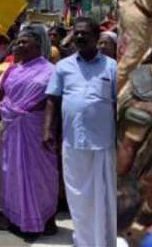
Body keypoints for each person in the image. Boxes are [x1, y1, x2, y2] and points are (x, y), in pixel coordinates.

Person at [45, 17, 117, 246]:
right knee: (78, 198)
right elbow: (52, 100)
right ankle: (84, 241)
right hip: (72, 143)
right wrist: (47, 130)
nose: (79, 37)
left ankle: (105, 241)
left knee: (104, 198)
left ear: (97, 37)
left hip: (103, 143)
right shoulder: (63, 66)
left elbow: (119, 105)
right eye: (76, 33)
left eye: (85, 33)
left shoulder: (112, 67)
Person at [0, 25, 59, 234]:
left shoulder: (50, 70)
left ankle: (46, 219)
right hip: (12, 129)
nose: (19, 45)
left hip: (36, 130)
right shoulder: (13, 69)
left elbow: (53, 100)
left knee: (41, 175)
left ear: (38, 45)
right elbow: (4, 98)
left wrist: (49, 129)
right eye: (18, 41)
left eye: (25, 41)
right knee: (12, 171)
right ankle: (17, 218)